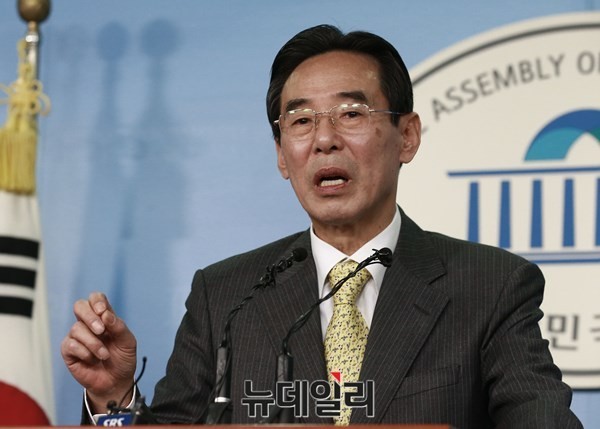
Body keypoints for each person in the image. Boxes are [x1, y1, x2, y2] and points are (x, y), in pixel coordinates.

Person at [61, 24, 582, 428]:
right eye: (301, 121)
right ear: (281, 155)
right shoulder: (226, 297)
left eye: (351, 114)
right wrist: (114, 396)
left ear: (407, 136)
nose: (324, 139)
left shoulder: (489, 287)